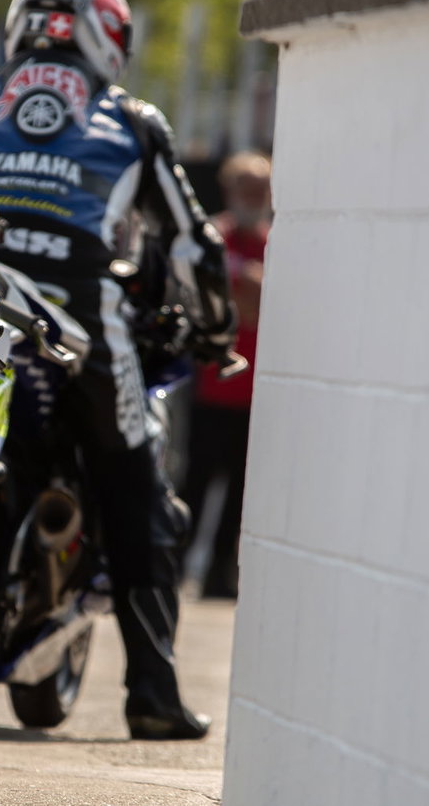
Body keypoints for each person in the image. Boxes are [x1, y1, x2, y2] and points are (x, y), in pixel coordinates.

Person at [0, 0, 237, 741]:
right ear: (107, 36)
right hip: (85, 324)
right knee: (139, 500)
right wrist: (216, 332)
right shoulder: (131, 119)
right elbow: (195, 246)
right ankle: (152, 695)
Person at [180, 151, 270, 601]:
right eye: (245, 188)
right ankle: (175, 570)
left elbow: (256, 296)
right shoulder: (213, 236)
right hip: (210, 387)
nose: (252, 197)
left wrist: (247, 288)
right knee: (193, 484)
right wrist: (250, 287)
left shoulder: (274, 240)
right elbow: (231, 292)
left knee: (239, 495)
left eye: (260, 189)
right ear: (230, 189)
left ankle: (219, 575)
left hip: (255, 396)